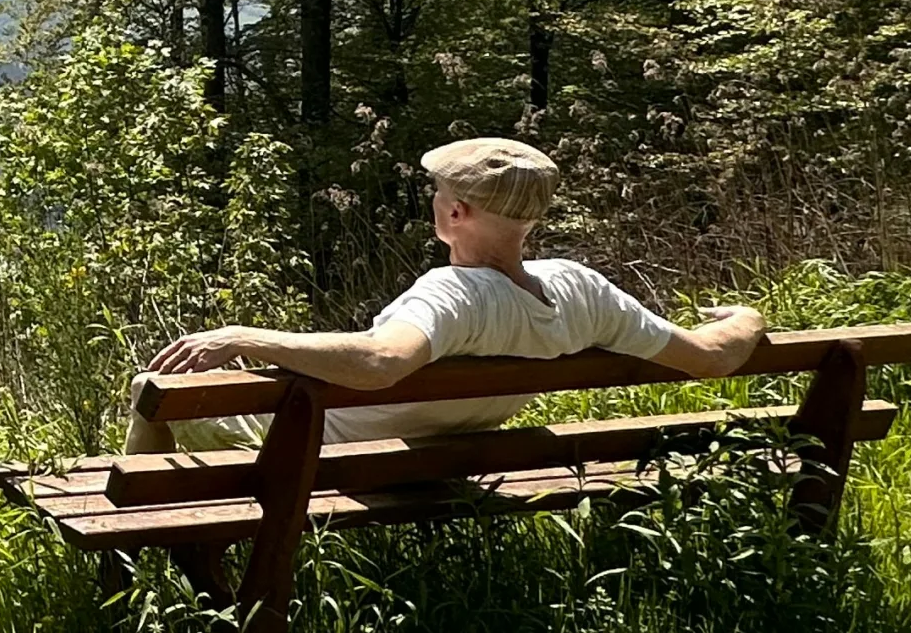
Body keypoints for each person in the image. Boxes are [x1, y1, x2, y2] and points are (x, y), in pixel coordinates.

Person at [129, 135, 766, 451]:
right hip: (440, 449)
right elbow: (712, 355)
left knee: (152, 392)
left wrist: (240, 337)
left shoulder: (454, 295)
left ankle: (140, 551)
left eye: (439, 194)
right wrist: (748, 316)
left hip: (332, 447)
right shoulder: (582, 291)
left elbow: (382, 362)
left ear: (456, 212)